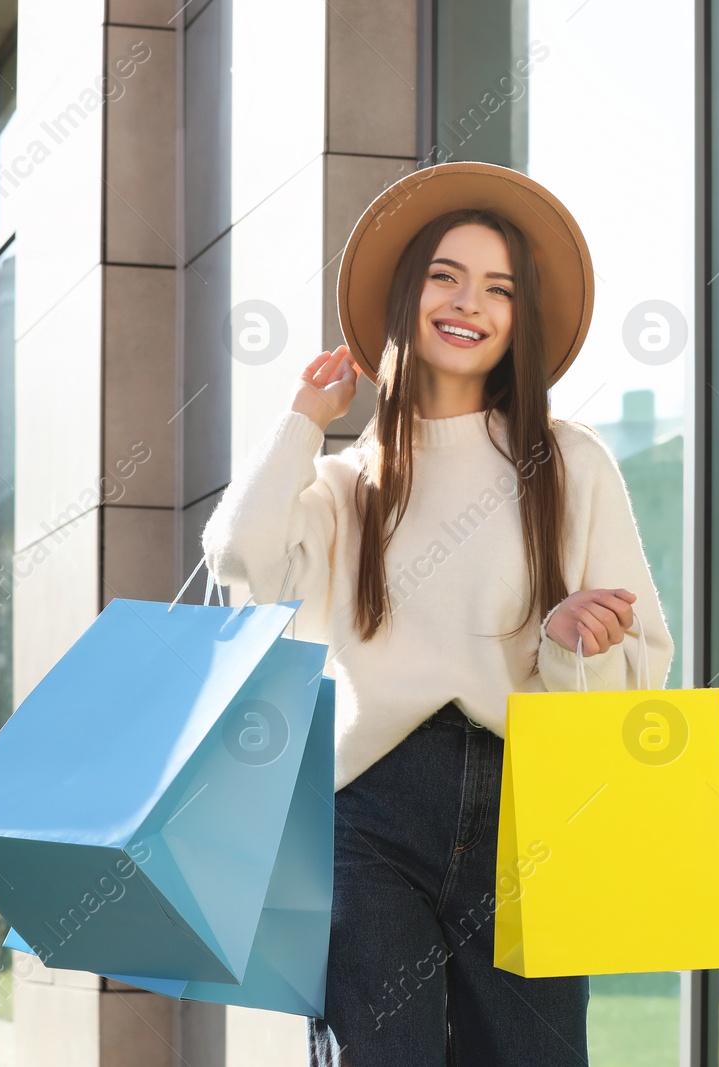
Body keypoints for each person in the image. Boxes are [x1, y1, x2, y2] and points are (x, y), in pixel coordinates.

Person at [201, 161, 675, 1067]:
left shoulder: (569, 463)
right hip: (366, 816)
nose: (470, 302)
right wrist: (305, 420)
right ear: (406, 294)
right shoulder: (345, 485)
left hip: (530, 813)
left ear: (519, 320)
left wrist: (571, 644)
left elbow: (642, 661)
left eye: (498, 287)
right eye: (446, 275)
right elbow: (239, 560)